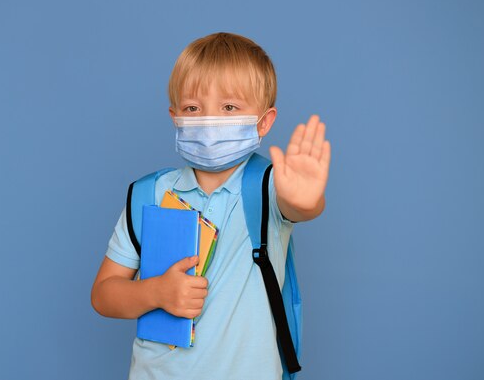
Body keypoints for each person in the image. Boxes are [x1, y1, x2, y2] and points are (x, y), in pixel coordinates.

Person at [91, 32, 331, 380]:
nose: (209, 121)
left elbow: (300, 207)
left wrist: (305, 201)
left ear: (263, 121)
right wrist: (154, 291)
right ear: (174, 115)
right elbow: (103, 294)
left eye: (229, 107)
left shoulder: (270, 187)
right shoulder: (149, 193)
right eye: (193, 108)